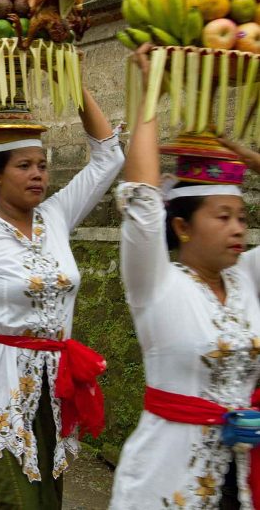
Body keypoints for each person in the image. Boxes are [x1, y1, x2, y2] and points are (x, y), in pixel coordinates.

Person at [0, 83, 124, 509]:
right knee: (17, 498)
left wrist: (72, 80)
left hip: (57, 383)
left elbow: (109, 157)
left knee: (47, 499)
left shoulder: (55, 217)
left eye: (42, 165)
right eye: (24, 166)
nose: (37, 174)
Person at [109, 46, 260, 509]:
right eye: (223, 216)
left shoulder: (247, 280)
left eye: (242, 216)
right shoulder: (155, 283)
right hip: (163, 480)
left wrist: (248, 159)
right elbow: (141, 201)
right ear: (182, 226)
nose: (239, 228)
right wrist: (150, 93)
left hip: (237, 476)